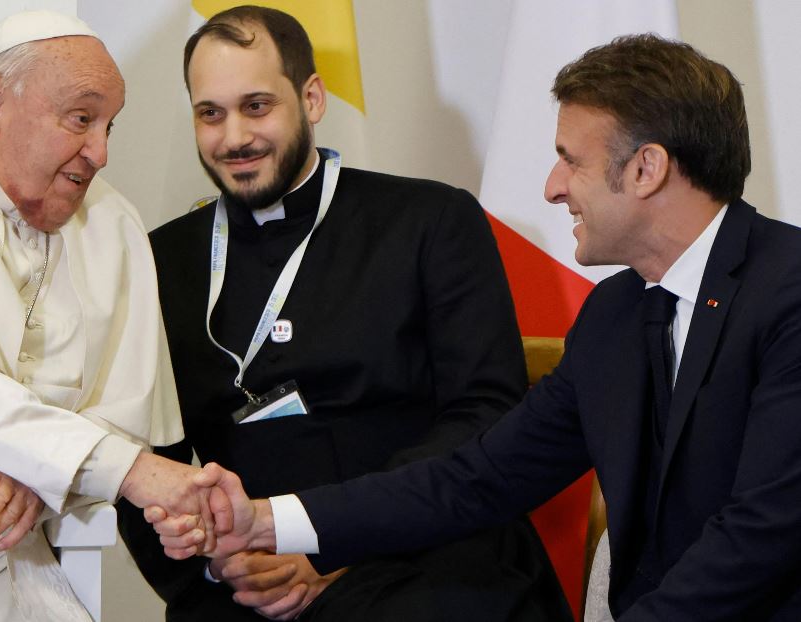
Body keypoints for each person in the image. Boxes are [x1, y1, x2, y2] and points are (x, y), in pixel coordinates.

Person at [154, 34, 801, 620]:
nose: (551, 188)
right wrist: (267, 519)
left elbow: (763, 530)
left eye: (568, 160)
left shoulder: (788, 293)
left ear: (645, 168)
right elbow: (476, 477)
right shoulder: (613, 317)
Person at [118, 5, 570, 622]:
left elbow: (485, 415)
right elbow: (144, 454)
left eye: (256, 106)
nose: (233, 138)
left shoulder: (431, 222)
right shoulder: (160, 260)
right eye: (210, 114)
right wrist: (212, 563)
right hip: (250, 582)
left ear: (311, 98)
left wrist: (328, 538)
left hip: (426, 558)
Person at [0, 11, 223, 621]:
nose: (102, 152)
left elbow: (128, 405)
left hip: (11, 553)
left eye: (110, 126)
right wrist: (123, 470)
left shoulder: (112, 223)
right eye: (82, 119)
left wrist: (40, 473)